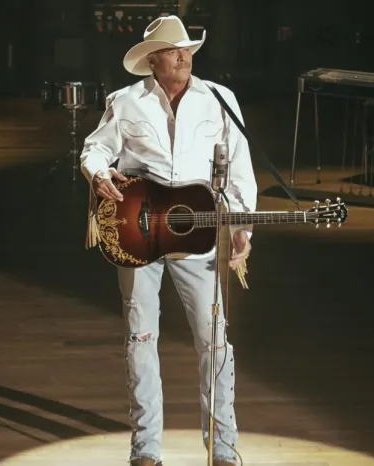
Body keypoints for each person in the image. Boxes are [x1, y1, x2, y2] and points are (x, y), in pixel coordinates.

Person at [79, 15, 257, 466]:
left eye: (186, 49)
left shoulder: (219, 99)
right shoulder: (126, 101)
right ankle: (145, 449)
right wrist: (99, 174)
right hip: (136, 233)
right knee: (141, 337)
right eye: (173, 50)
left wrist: (241, 228)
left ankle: (224, 448)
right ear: (153, 61)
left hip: (198, 234)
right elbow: (95, 148)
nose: (183, 56)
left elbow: (240, 169)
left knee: (215, 341)